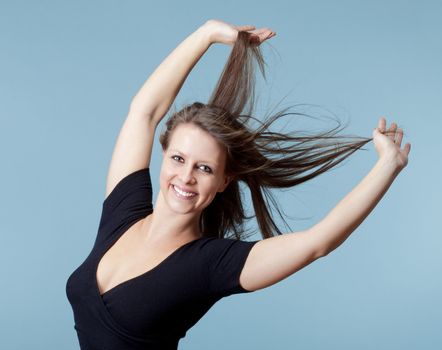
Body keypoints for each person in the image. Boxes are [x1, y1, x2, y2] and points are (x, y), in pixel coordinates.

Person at [66, 19, 411, 349]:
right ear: (164, 154)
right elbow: (144, 112)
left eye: (203, 168)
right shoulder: (123, 212)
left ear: (222, 181)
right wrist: (206, 35)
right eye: (178, 159)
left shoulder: (210, 264)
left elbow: (315, 244)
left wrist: (388, 166)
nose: (186, 177)